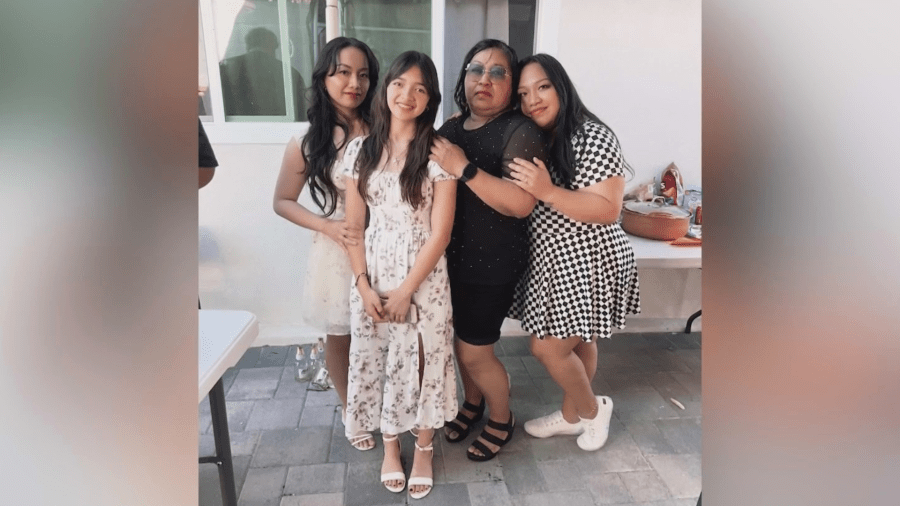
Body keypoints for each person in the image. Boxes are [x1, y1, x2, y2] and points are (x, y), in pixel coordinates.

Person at [507, 53, 640, 451]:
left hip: (588, 258)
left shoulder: (592, 135)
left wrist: (547, 191)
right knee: (580, 342)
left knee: (546, 347)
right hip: (555, 257)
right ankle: (570, 418)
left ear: (561, 87)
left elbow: (608, 209)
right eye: (523, 94)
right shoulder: (539, 136)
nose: (533, 100)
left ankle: (593, 411)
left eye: (542, 87)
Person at [342, 51, 457, 500]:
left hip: (423, 275)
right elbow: (354, 227)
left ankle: (424, 447)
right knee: (378, 355)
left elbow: (441, 233)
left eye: (419, 88)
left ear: (430, 100)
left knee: (425, 359)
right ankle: (391, 445)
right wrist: (362, 284)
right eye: (399, 84)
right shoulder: (361, 150)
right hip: (372, 268)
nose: (407, 95)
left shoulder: (438, 153)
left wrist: (407, 290)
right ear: (385, 88)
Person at [429, 39, 548, 461]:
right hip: (450, 261)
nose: (485, 79)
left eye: (498, 72)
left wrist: (463, 167)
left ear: (511, 85)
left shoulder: (520, 130)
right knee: (461, 341)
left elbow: (521, 203)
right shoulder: (452, 129)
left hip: (492, 263)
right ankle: (472, 403)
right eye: (476, 69)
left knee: (474, 350)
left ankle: (501, 417)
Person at [273, 37, 379, 451]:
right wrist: (326, 226)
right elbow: (282, 201)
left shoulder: (384, 127)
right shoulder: (308, 141)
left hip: (388, 245)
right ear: (324, 78)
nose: (355, 83)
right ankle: (351, 409)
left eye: (364, 75)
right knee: (341, 334)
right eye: (343, 73)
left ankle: (387, 403)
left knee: (387, 329)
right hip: (338, 249)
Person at [220, 26, 307, 120]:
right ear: (273, 46)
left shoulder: (226, 67)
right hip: (278, 127)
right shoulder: (290, 72)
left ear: (248, 45)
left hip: (234, 127)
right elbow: (300, 111)